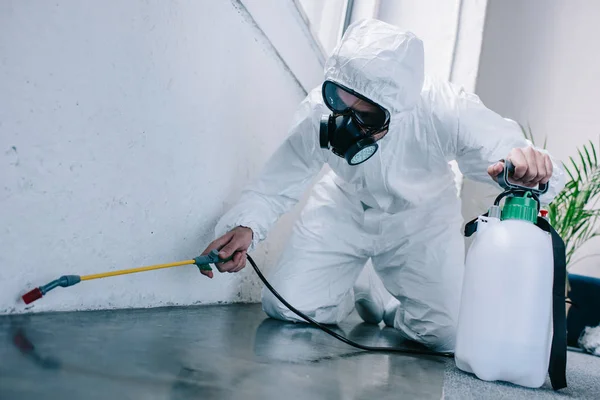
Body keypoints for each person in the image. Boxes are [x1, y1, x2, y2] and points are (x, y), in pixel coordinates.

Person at [200, 19, 565, 352]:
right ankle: (350, 283)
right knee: (286, 306)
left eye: (367, 114)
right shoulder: (317, 113)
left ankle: (385, 302)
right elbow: (276, 182)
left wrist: (527, 168)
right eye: (339, 99)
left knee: (447, 336)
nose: (345, 121)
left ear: (397, 108)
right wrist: (247, 225)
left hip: (421, 220)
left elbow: (505, 152)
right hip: (343, 208)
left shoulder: (444, 109)